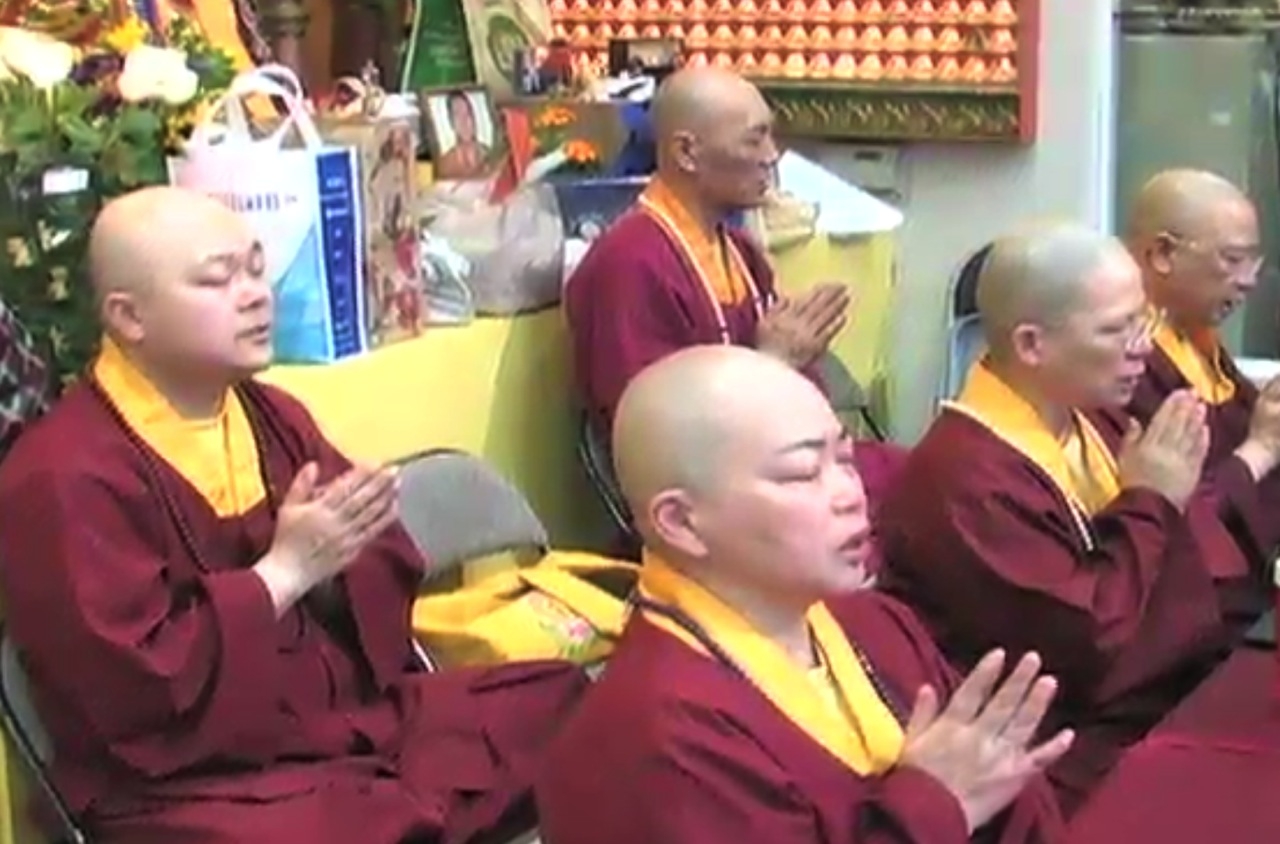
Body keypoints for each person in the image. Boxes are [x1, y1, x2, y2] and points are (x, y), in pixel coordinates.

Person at [0, 186, 586, 843]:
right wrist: (281, 575)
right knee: (356, 824)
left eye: (256, 269)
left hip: (333, 720)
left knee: (565, 701)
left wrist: (339, 558)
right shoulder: (63, 475)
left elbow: (377, 564)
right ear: (129, 317)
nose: (255, 295)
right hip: (190, 781)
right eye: (218, 280)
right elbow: (131, 689)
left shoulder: (271, 414)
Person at [538, 345, 1071, 844]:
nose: (850, 494)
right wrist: (935, 801)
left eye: (845, 459)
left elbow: (1009, 798)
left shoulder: (878, 624)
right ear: (681, 522)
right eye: (802, 474)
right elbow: (953, 798)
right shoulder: (654, 740)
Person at [876, 223, 1276, 817]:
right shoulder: (966, 478)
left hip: (1156, 695)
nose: (1143, 347)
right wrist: (1152, 499)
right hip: (1058, 755)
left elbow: (1193, 564)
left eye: (1143, 322)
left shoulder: (1093, 416)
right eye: (1116, 330)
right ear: (1032, 344)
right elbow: (1089, 648)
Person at [563, 67, 903, 556]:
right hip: (711, 512)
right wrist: (772, 363)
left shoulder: (739, 251)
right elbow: (652, 441)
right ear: (687, 152)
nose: (772, 155)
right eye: (754, 139)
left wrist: (800, 378)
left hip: (780, 467)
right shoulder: (630, 263)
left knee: (922, 476)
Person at [1124, 168, 1280, 557]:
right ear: (1163, 254)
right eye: (1232, 259)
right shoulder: (1127, 364)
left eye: (1253, 260)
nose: (1248, 280)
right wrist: (1261, 448)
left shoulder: (1193, 337)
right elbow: (1175, 516)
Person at [435, 90, 494, 180]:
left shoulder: (490, 155)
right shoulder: (444, 165)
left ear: (473, 118)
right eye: (457, 115)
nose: (464, 121)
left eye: (467, 114)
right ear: (451, 122)